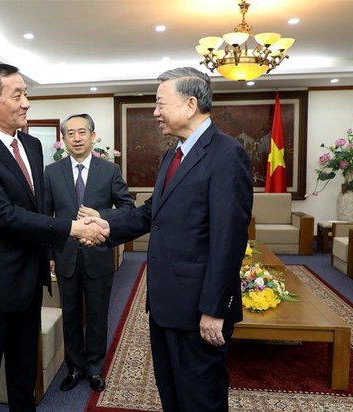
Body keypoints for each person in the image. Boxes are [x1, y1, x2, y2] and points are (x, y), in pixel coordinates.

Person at [87, 67, 253, 411]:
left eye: (161, 103)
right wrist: (107, 227)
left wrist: (214, 310)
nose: (155, 112)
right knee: (172, 393)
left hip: (198, 309)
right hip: (166, 303)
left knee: (201, 399)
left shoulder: (227, 154)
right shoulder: (174, 153)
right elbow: (153, 212)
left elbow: (229, 240)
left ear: (190, 105)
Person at [0, 63, 106, 412]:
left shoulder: (32, 145)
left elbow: (38, 207)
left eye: (26, 94)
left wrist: (49, 253)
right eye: (17, 94)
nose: (26, 103)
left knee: (24, 377)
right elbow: (4, 216)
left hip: (27, 282)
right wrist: (71, 228)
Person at [44, 114, 135, 392]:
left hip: (98, 256)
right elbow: (46, 217)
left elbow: (128, 209)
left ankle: (95, 368)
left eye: (82, 132)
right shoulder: (52, 172)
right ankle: (75, 367)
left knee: (97, 314)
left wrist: (102, 215)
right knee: (70, 315)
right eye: (70, 133)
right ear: (64, 139)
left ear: (93, 136)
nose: (77, 138)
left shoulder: (109, 171)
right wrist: (50, 255)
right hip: (65, 256)